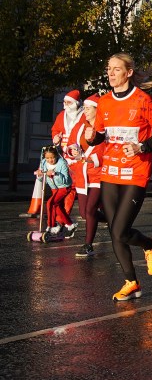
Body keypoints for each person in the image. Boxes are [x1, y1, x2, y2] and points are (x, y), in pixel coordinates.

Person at [84, 53, 152, 301]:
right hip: (109, 171)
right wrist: (91, 137)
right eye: (108, 69)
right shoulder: (105, 102)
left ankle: (150, 244)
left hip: (135, 172)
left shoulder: (143, 100)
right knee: (114, 231)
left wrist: (142, 147)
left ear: (129, 72)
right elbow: (100, 135)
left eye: (116, 69)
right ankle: (132, 282)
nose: (110, 73)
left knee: (120, 231)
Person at [75, 94, 106, 258]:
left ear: (96, 109)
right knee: (83, 212)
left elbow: (106, 150)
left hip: (98, 174)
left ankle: (88, 245)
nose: (84, 111)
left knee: (90, 209)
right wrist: (72, 151)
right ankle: (110, 219)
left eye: (87, 108)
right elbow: (72, 143)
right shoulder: (81, 125)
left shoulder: (104, 128)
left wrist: (92, 159)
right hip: (82, 174)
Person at [51, 89, 85, 220]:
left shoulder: (84, 115)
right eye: (64, 102)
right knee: (65, 187)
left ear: (76, 103)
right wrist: (55, 138)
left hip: (79, 157)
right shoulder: (61, 115)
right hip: (64, 156)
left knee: (71, 188)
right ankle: (61, 218)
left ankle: (62, 219)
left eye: (68, 102)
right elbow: (55, 130)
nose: (65, 104)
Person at [35, 145, 75, 239]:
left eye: (52, 157)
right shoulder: (44, 162)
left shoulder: (62, 163)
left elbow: (65, 180)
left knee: (51, 203)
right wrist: (39, 174)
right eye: (48, 158)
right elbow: (41, 178)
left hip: (64, 187)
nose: (50, 160)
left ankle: (51, 226)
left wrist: (55, 174)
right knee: (58, 207)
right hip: (54, 187)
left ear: (56, 155)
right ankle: (70, 225)